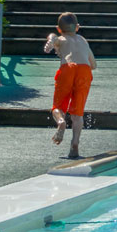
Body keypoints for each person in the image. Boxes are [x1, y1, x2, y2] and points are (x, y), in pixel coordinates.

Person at [44, 12, 96, 160]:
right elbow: (94, 65)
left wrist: (51, 40)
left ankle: (61, 123)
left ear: (59, 29)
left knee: (57, 107)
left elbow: (53, 39)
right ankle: (75, 145)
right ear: (77, 27)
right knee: (77, 113)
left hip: (68, 68)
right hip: (84, 71)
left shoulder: (60, 39)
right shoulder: (83, 40)